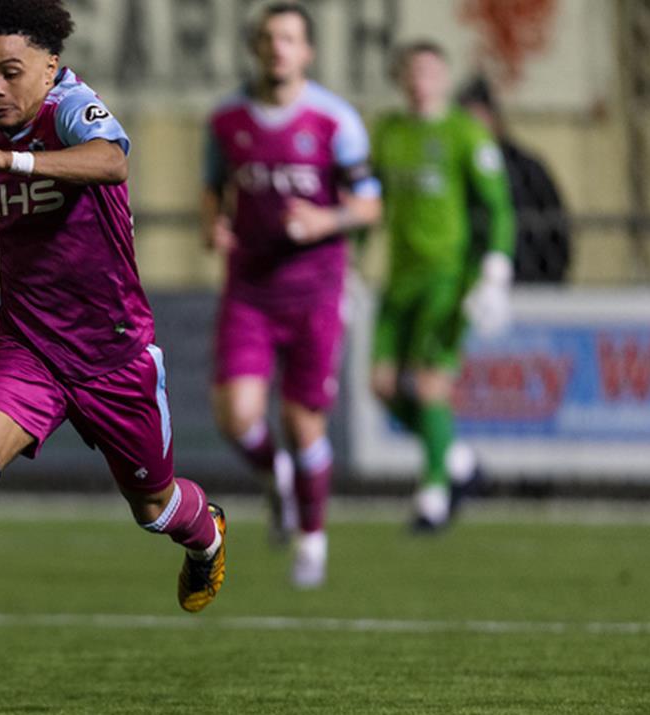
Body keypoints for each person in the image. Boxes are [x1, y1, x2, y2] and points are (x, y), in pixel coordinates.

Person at [0, 0, 227, 695]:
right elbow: (13, 182)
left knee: (155, 508)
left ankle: (208, 535)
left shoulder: (76, 108)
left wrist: (6, 160)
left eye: (11, 72)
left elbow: (109, 164)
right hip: (28, 345)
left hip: (113, 352)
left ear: (50, 64)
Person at [202, 2, 381, 588]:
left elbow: (369, 205)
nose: (278, 47)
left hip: (315, 292)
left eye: (289, 38)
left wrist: (325, 222)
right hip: (250, 289)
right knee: (237, 416)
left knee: (303, 422)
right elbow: (213, 186)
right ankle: (272, 474)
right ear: (256, 47)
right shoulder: (226, 120)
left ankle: (311, 540)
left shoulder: (336, 121)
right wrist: (214, 223)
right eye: (268, 38)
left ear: (307, 51)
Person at [370, 42, 515, 532]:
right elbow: (368, 202)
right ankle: (457, 461)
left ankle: (433, 494)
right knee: (384, 386)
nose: (421, 81)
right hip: (399, 280)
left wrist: (495, 268)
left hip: (447, 279)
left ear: (445, 78)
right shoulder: (388, 134)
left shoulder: (465, 133)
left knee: (432, 382)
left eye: (431, 71)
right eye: (413, 71)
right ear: (401, 77)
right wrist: (346, 263)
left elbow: (498, 205)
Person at [457, 76, 571, 283]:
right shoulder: (453, 173)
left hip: (529, 283)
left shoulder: (527, 169)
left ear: (493, 118)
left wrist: (547, 279)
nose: (471, 129)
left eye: (476, 119)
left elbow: (556, 230)